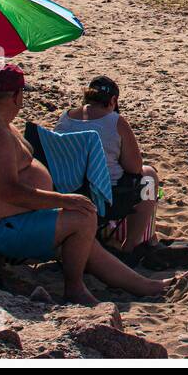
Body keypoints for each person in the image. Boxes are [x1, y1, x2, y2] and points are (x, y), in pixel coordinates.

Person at [0, 65, 176, 304]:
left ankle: (144, 286)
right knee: (82, 217)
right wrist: (63, 199)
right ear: (16, 96)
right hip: (1, 229)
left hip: (12, 221)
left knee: (84, 237)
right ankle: (75, 288)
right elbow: (9, 191)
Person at [56, 76, 158, 259]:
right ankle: (130, 247)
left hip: (66, 191)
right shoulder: (115, 121)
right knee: (149, 176)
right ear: (113, 101)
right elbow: (135, 168)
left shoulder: (65, 118)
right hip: (106, 198)